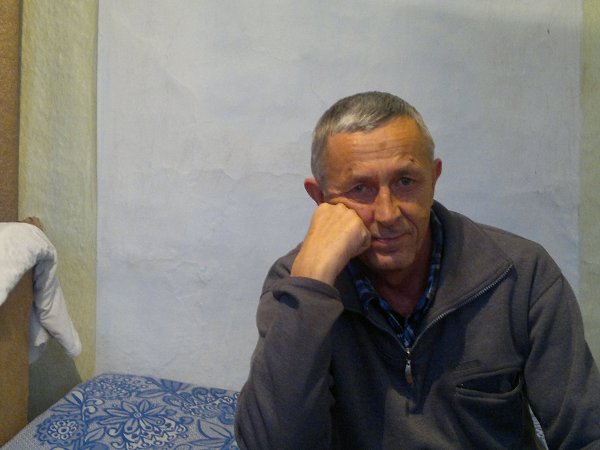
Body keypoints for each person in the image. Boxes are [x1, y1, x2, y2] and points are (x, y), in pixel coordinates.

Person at [234, 91, 600, 449]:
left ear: (434, 178)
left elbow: (587, 431)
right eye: (360, 188)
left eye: (405, 182)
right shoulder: (295, 282)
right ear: (320, 198)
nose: (388, 213)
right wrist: (311, 286)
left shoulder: (520, 274)